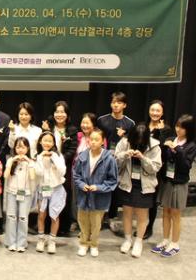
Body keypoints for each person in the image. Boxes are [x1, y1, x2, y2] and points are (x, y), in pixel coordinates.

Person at [151, 114, 196, 257]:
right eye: (177, 126)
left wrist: (177, 149)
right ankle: (165, 239)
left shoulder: (191, 146)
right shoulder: (171, 139)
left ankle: (175, 243)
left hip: (179, 183)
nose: (178, 129)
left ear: (188, 129)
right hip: (167, 181)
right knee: (165, 211)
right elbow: (162, 158)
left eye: (182, 127)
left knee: (175, 214)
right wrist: (165, 146)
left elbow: (186, 166)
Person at [115, 123, 162, 258]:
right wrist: (125, 154)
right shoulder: (124, 142)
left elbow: (155, 168)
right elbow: (114, 160)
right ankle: (127, 239)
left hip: (145, 185)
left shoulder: (155, 146)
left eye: (141, 141)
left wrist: (143, 158)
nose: (138, 143)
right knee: (127, 213)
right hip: (127, 183)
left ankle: (138, 241)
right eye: (136, 140)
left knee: (142, 215)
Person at [73, 128, 118, 257]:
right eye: (91, 139)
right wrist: (82, 185)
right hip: (83, 196)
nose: (93, 142)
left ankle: (93, 244)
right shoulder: (82, 156)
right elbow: (76, 175)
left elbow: (113, 180)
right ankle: (83, 243)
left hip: (99, 198)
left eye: (96, 139)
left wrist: (98, 187)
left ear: (103, 141)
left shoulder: (109, 159)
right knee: (83, 220)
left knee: (96, 223)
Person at [41, 101, 77, 236]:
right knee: (47, 195)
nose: (59, 115)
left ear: (67, 114)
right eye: (57, 112)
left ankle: (62, 227)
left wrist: (58, 161)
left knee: (63, 196)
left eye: (62, 112)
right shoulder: (48, 127)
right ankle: (47, 226)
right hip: (48, 167)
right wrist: (46, 131)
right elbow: (43, 144)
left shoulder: (72, 130)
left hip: (63, 168)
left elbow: (72, 150)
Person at [144, 99, 174, 239]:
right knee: (142, 197)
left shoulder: (166, 129)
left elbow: (163, 147)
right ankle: (141, 223)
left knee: (152, 199)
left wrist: (160, 131)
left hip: (157, 168)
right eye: (152, 110)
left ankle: (149, 227)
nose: (155, 113)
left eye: (158, 110)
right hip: (142, 165)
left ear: (162, 113)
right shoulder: (144, 125)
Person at [35, 131, 66, 254]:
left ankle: (52, 241)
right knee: (41, 215)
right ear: (40, 141)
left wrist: (53, 158)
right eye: (45, 140)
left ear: (53, 143)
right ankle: (41, 239)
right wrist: (41, 158)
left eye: (50, 141)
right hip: (43, 189)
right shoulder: (37, 156)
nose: (47, 143)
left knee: (54, 215)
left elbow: (62, 172)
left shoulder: (58, 155)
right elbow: (38, 173)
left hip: (56, 188)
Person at [4, 137, 37, 252]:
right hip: (12, 192)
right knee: (11, 216)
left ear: (27, 148)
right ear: (14, 148)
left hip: (25, 193)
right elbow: (5, 176)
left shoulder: (31, 162)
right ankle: (11, 242)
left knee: (23, 218)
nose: (20, 150)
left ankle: (22, 243)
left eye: (23, 147)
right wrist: (12, 162)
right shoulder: (11, 160)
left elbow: (32, 177)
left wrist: (29, 162)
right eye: (18, 147)